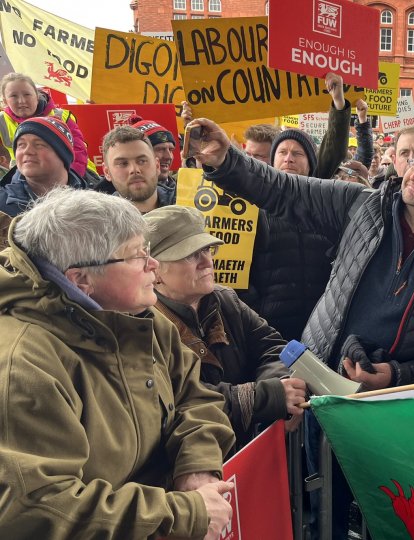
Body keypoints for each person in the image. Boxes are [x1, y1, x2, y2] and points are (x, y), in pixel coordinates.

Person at [193, 121, 414, 539]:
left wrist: (397, 376)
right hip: (323, 391)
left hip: (392, 409)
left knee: (386, 510)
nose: (413, 175)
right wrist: (226, 161)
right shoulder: (362, 205)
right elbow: (282, 190)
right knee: (320, 508)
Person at [0, 187, 236, 539]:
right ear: (81, 279)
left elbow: (195, 397)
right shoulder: (26, 365)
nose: (153, 265)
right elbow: (38, 507)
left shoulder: (141, 318)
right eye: (138, 256)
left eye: (148, 250)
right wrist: (183, 513)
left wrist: (197, 468)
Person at [144, 205, 307, 448]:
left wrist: (281, 402)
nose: (207, 262)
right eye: (190, 255)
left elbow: (273, 350)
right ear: (155, 269)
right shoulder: (141, 323)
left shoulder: (225, 300)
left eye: (207, 249)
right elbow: (176, 398)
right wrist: (267, 398)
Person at [236, 73, 353, 341]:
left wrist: (338, 104)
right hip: (270, 325)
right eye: (282, 152)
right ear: (271, 161)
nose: (289, 158)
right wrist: (258, 310)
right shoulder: (253, 204)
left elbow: (333, 150)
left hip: (322, 321)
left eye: (298, 153)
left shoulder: (324, 201)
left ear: (311, 164)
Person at [0, 73, 94, 178]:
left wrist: (71, 180)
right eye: (14, 96)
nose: (21, 101)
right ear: (5, 102)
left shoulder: (62, 116)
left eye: (27, 94)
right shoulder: (1, 121)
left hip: (75, 177)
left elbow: (78, 151)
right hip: (26, 180)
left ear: (37, 96)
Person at [0, 117, 89, 217]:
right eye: (21, 145)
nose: (27, 151)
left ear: (63, 154)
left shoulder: (92, 203)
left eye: (38, 144)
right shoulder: (2, 207)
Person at [94, 126, 175, 213]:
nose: (134, 169)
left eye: (142, 161)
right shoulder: (99, 222)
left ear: (157, 165)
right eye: (122, 163)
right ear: (107, 172)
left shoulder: (186, 204)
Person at [127, 115, 178, 187]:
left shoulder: (183, 191)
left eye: (171, 150)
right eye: (160, 149)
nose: (168, 156)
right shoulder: (112, 196)